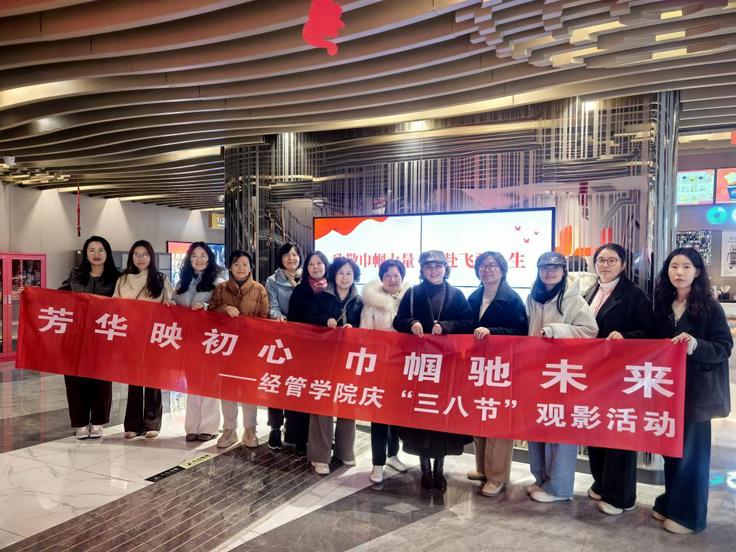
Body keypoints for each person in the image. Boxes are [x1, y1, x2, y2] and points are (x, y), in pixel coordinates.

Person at [651, 247, 732, 534]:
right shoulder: (663, 304)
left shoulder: (710, 307)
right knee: (671, 451)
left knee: (692, 456)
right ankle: (670, 503)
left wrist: (695, 345)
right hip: (666, 390)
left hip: (696, 394)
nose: (679, 272)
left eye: (686, 267)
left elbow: (724, 347)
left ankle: (689, 516)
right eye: (674, 266)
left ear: (697, 271)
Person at [393, 250, 474, 492]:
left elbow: (468, 324)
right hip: (420, 367)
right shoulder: (412, 293)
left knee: (442, 418)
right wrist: (411, 323)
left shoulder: (456, 294)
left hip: (448, 367)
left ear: (445, 268)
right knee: (421, 418)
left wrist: (447, 326)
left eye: (438, 265)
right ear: (422, 269)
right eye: (428, 266)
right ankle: (425, 469)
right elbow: (398, 321)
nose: (433, 270)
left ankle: (439, 468)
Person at [584, 244, 654, 515]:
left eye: (612, 260)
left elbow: (649, 332)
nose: (605, 265)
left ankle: (620, 496)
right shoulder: (590, 291)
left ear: (623, 265)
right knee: (596, 427)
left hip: (622, 375)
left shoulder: (634, 295)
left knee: (619, 431)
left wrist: (626, 338)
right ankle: (601, 483)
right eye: (601, 260)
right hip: (593, 373)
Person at [525, 251, 598, 503]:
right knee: (538, 423)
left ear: (563, 271)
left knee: (560, 428)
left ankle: (559, 487)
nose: (549, 272)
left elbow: (590, 331)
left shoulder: (574, 299)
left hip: (563, 373)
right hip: (536, 371)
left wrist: (556, 330)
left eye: (555, 268)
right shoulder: (533, 296)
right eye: (544, 268)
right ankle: (541, 479)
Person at [466, 251, 528, 496]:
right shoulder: (474, 297)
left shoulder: (512, 299)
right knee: (480, 415)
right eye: (482, 266)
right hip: (478, 366)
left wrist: (493, 332)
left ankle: (498, 475)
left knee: (498, 421)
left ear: (502, 270)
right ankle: (483, 468)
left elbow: (520, 332)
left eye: (492, 265)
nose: (487, 269)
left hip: (502, 367)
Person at [307, 257, 363, 475]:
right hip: (324, 357)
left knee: (347, 401)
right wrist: (325, 321)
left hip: (349, 360)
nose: (345, 278)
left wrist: (353, 329)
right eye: (341, 273)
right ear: (334, 275)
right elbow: (310, 320)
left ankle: (344, 450)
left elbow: (364, 328)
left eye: (349, 273)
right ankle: (320, 456)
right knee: (322, 403)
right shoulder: (322, 296)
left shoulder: (359, 300)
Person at [209, 250, 270, 448]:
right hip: (226, 347)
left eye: (245, 264)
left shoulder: (259, 290)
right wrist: (224, 308)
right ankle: (229, 430)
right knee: (227, 390)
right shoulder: (220, 289)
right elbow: (210, 313)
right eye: (236, 264)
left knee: (249, 390)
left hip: (250, 349)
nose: (241, 268)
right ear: (230, 267)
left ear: (251, 267)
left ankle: (250, 430)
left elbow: (265, 318)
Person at [114, 240, 175, 439]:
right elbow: (114, 305)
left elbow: (171, 303)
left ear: (151, 257)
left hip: (154, 336)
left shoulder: (160, 279)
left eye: (145, 254)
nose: (141, 258)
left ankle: (152, 423)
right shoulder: (123, 280)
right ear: (131, 257)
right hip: (131, 336)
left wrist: (169, 303)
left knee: (152, 379)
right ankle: (132, 424)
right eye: (137, 254)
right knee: (133, 381)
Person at [61, 236, 120, 439]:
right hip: (76, 336)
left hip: (102, 337)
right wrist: (30, 293)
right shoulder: (76, 274)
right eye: (92, 250)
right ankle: (80, 423)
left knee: (100, 380)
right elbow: (58, 295)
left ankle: (97, 422)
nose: (96, 254)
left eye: (100, 250)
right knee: (75, 380)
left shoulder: (116, 277)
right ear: (86, 254)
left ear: (107, 253)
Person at [361, 259, 410, 483]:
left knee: (396, 415)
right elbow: (365, 337)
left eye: (396, 275)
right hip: (380, 367)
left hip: (406, 367)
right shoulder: (372, 303)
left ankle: (393, 454)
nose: (392, 279)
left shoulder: (410, 299)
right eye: (387, 275)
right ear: (381, 278)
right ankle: (377, 463)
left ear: (402, 277)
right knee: (379, 416)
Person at [173, 242, 226, 442]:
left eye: (203, 255)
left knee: (210, 382)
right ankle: (192, 426)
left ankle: (209, 427)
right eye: (194, 255)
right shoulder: (182, 284)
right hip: (189, 341)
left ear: (209, 258)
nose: (199, 259)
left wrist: (205, 306)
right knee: (193, 383)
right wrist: (171, 303)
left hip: (210, 340)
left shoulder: (218, 283)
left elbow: (223, 308)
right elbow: (175, 307)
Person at [285, 251, 331, 456]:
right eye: (311, 264)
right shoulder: (300, 290)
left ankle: (322, 439)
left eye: (319, 263)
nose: (315, 267)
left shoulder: (332, 289)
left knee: (320, 394)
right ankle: (299, 439)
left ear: (326, 265)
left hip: (327, 353)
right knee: (300, 393)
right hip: (302, 351)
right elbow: (293, 319)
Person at [264, 242, 303, 450]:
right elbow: (272, 305)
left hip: (303, 342)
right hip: (280, 339)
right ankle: (275, 427)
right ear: (281, 258)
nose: (291, 258)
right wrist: (278, 317)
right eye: (287, 255)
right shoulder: (273, 280)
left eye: (295, 254)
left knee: (296, 384)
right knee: (277, 384)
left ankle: (293, 428)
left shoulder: (308, 279)